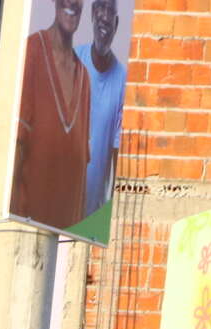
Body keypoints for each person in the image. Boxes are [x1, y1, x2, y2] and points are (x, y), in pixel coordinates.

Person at [9, 0, 91, 231]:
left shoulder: (84, 79)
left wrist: (76, 238)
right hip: (24, 230)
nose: (72, 2)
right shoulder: (32, 51)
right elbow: (15, 147)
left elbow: (81, 173)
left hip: (63, 239)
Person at [79, 0, 126, 216]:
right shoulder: (73, 60)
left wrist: (110, 216)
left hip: (92, 217)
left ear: (116, 23)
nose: (105, 17)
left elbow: (118, 157)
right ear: (92, 13)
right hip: (58, 208)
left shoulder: (123, 81)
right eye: (100, 8)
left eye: (110, 11)